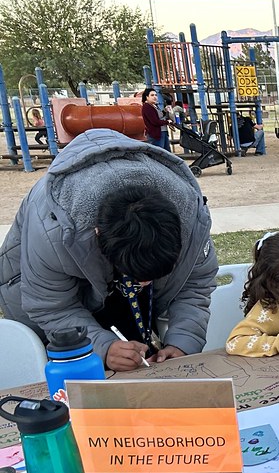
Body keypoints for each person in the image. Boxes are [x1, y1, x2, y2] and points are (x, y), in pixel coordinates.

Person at [0, 128, 219, 371]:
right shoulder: (52, 229)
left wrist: (182, 343)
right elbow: (52, 307)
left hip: (101, 276)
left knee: (136, 361)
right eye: (138, 278)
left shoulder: (190, 216)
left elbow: (194, 283)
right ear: (97, 235)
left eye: (151, 278)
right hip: (52, 298)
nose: (144, 285)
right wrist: (102, 348)